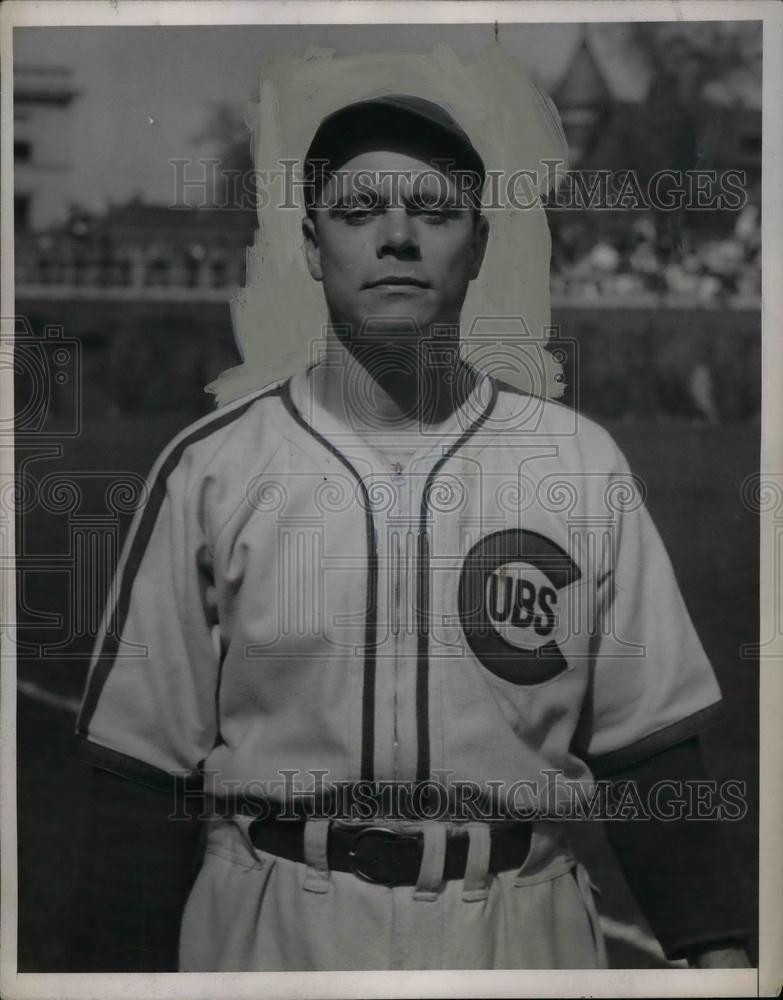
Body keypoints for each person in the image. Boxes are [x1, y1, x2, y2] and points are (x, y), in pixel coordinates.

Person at [72, 93, 750, 972]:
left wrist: (719, 956)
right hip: (271, 929)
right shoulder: (214, 467)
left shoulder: (578, 463)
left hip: (518, 929)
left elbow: (648, 751)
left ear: (479, 245)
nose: (397, 236)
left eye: (433, 211)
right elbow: (140, 770)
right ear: (312, 247)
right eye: (357, 212)